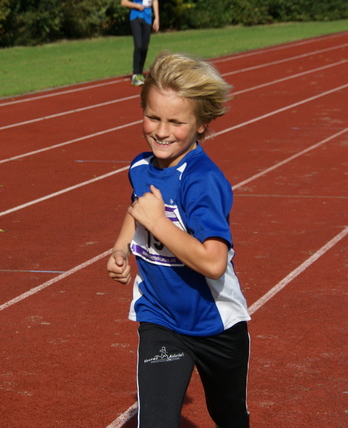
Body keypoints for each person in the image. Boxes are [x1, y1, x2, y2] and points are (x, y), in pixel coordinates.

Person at [107, 51, 251, 427]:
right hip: (160, 316)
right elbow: (138, 207)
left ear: (203, 124)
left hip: (215, 323)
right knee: (155, 421)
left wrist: (159, 224)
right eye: (153, 117)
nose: (161, 131)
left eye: (176, 122)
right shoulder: (141, 166)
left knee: (228, 415)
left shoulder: (202, 181)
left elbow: (214, 262)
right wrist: (121, 247)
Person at [121, 0, 159, 86]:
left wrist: (157, 18)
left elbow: (155, 1)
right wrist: (136, 5)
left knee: (144, 47)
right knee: (138, 46)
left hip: (147, 16)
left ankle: (140, 73)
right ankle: (135, 74)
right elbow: (123, 2)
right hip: (136, 16)